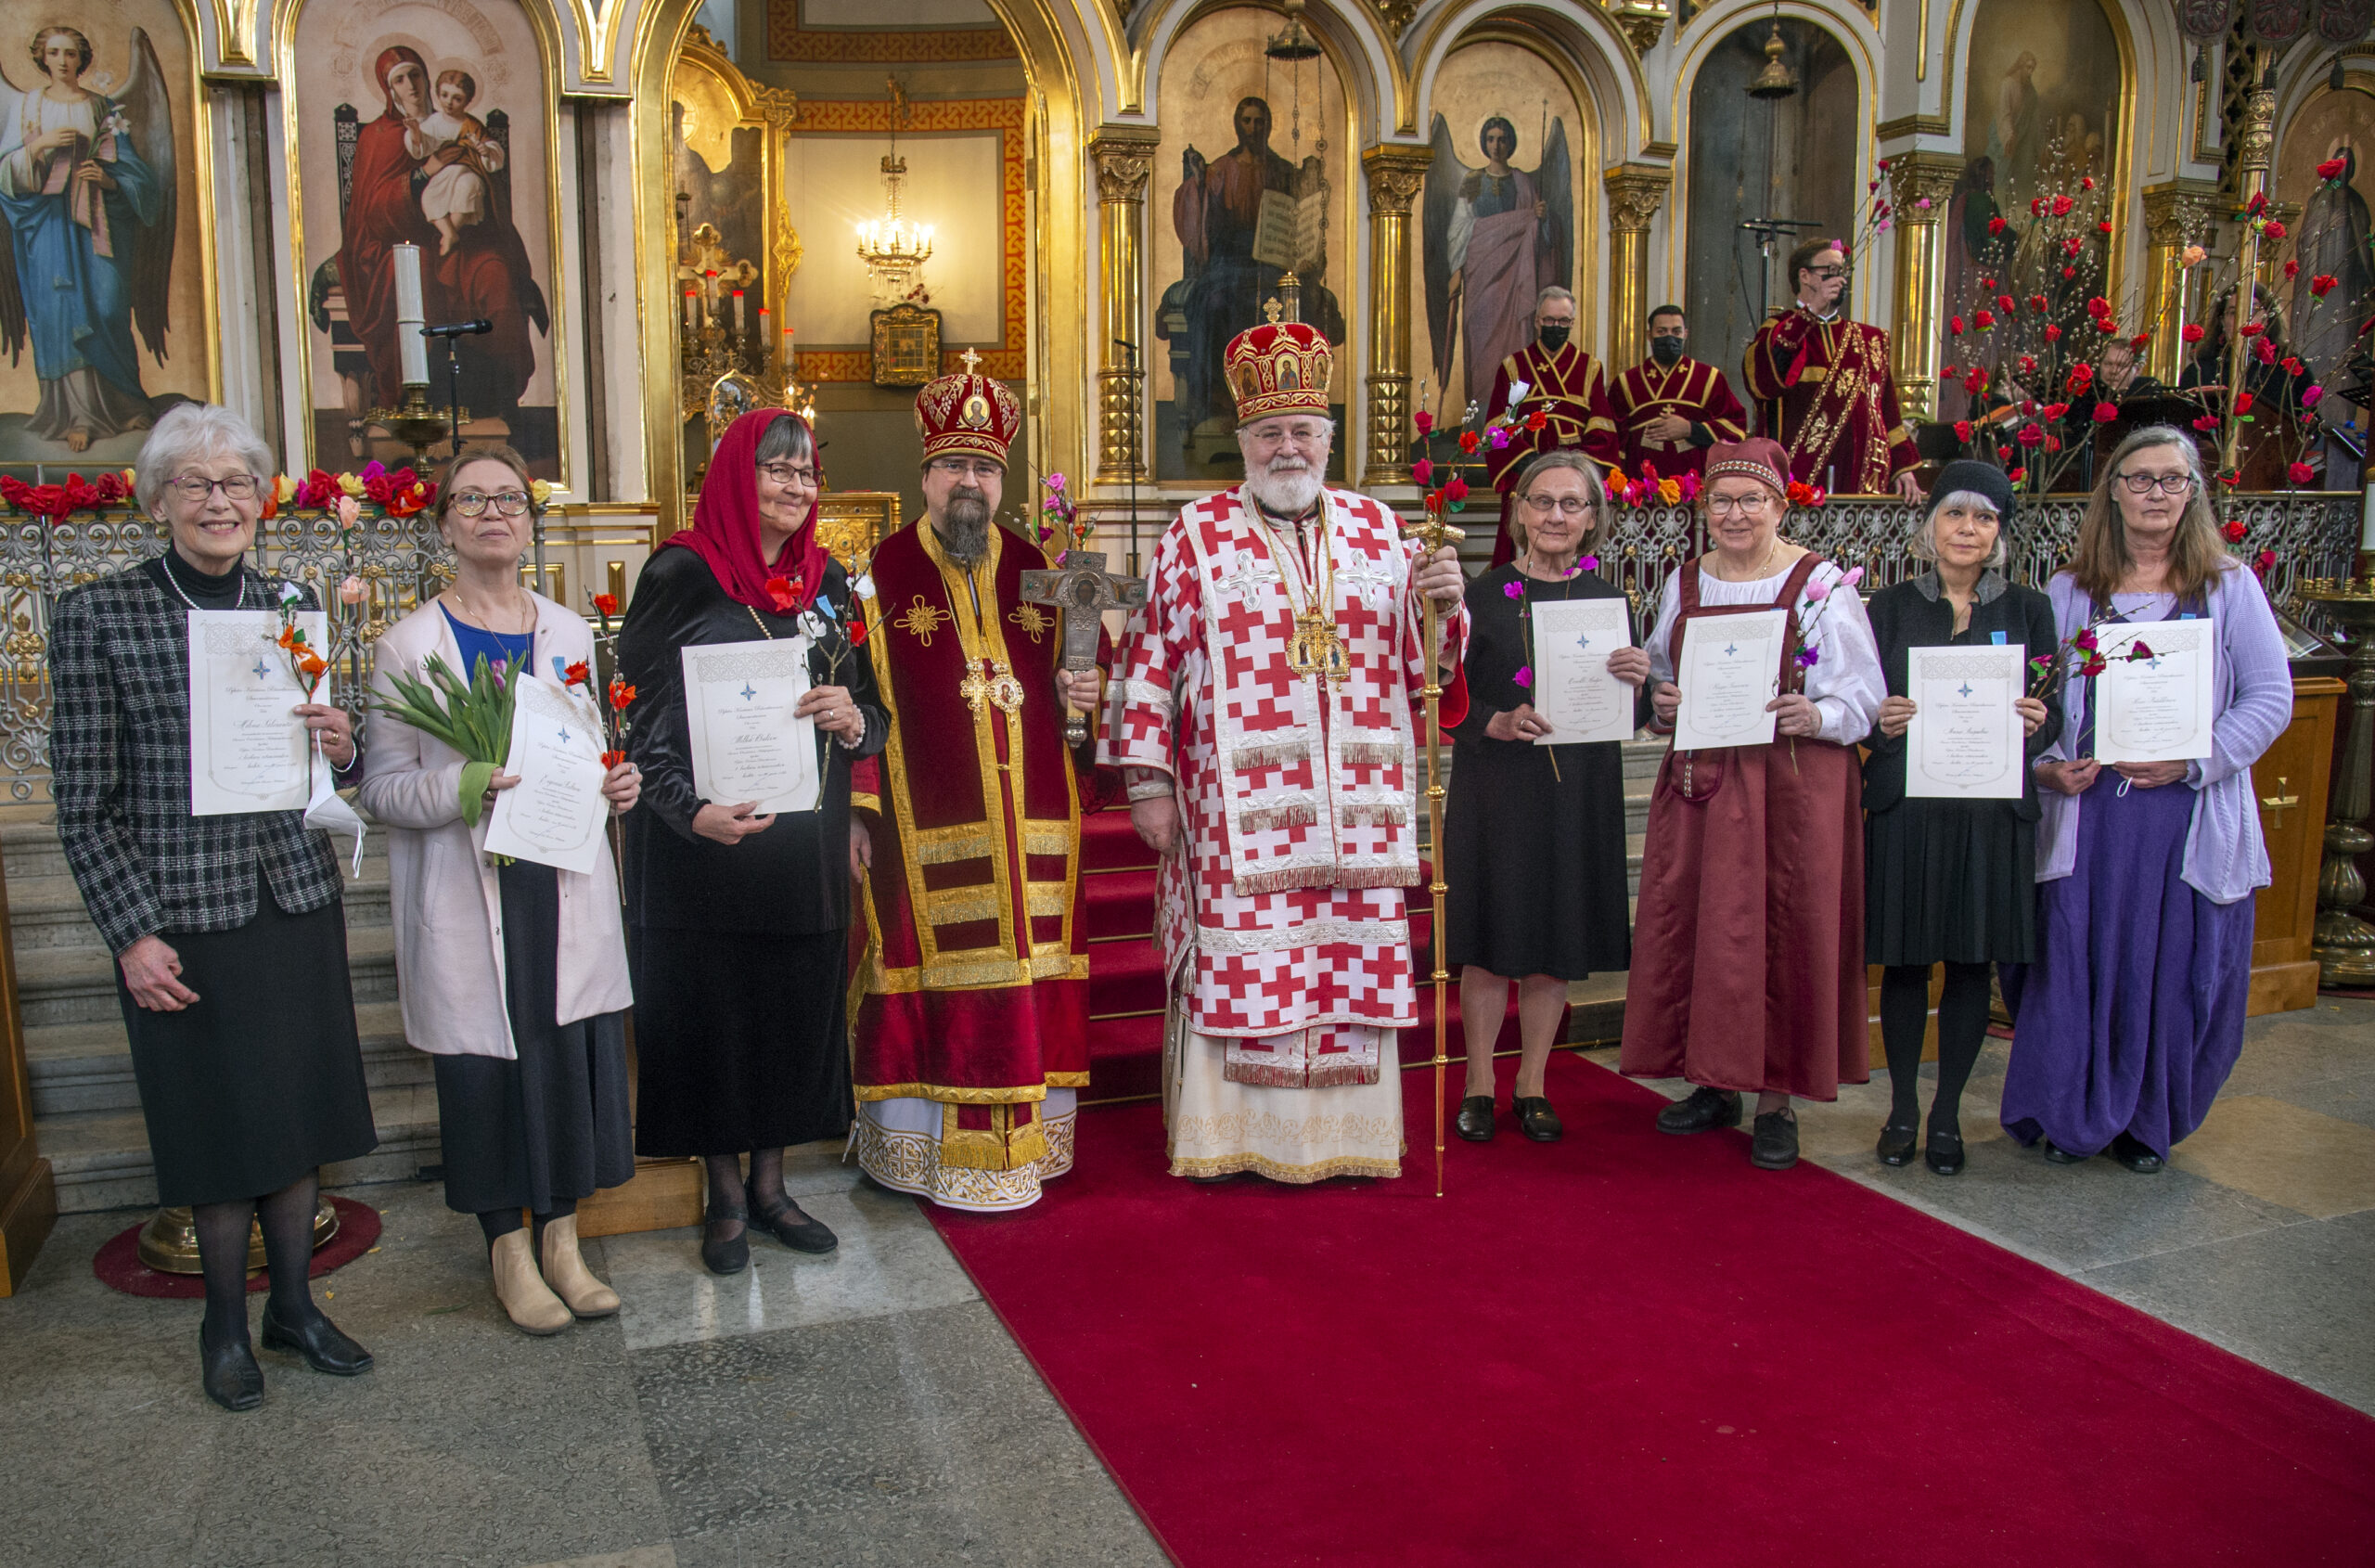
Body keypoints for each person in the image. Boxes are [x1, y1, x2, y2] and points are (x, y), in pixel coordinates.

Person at [49, 403, 375, 1410]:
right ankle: (224, 1326)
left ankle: (295, 1309)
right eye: (195, 483)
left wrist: (341, 742)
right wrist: (130, 934)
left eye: (237, 481)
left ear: (262, 496)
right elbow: (84, 802)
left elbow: (328, 760)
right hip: (182, 917)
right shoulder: (100, 614)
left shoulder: (290, 600)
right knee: (218, 1131)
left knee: (297, 1119)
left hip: (291, 895)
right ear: (157, 501)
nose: (219, 499)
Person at [1103, 320, 1469, 1182]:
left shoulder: (1384, 531)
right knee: (1252, 965)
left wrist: (1446, 610)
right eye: (1270, 432)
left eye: (1305, 430)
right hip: (1237, 811)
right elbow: (1151, 659)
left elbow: (1428, 665)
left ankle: (1350, 1139)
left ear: (1328, 439)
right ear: (1244, 442)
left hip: (1360, 805)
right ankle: (1236, 1139)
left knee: (1347, 965)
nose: (1288, 446)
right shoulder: (1194, 535)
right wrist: (1149, 782)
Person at [359, 445, 641, 1334]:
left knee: (561, 1058)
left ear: (529, 519)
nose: (493, 513)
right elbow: (380, 788)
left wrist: (614, 783)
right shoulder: (408, 646)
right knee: (485, 1068)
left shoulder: (565, 633)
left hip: (556, 881)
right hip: (467, 884)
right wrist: (463, 787)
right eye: (471, 499)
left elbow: (587, 746)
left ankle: (561, 1235)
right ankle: (506, 1246)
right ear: (444, 520)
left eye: (509, 499)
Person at [617, 408, 884, 1273]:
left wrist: (853, 721)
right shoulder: (681, 573)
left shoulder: (832, 586)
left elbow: (875, 715)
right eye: (777, 470)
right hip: (702, 849)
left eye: (807, 475)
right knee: (712, 1018)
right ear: (739, 473)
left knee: (784, 1014)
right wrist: (687, 809)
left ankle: (773, 1187)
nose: (795, 489)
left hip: (798, 851)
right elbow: (635, 715)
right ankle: (725, 1196)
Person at [844, 364, 1107, 1211]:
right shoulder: (874, 576)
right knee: (930, 962)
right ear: (924, 475)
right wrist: (855, 807)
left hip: (1033, 820)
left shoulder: (1040, 569)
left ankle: (1028, 1144)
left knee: (1026, 963)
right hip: (916, 829)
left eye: (985, 468)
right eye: (954, 465)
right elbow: (848, 697)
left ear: (1004, 479)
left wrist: (1084, 702)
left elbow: (1082, 689)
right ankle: (919, 1153)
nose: (970, 482)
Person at [2001, 427, 2292, 1171]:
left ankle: (2146, 1124)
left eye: (2171, 480)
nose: (2155, 494)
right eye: (2140, 479)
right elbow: (2032, 699)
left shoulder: (2229, 587)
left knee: (2165, 967)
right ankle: (2069, 1114)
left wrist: (2197, 761)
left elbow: (2268, 698)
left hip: (2183, 818)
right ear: (2114, 492)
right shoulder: (2071, 591)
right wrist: (2045, 769)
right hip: (2089, 816)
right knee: (2073, 959)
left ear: (2193, 491)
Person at [1620, 436, 1882, 1170]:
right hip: (1705, 779)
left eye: (1751, 500)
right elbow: (1663, 679)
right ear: (1704, 509)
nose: (1736, 514)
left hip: (1791, 783)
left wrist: (1818, 714)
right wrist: (1662, 700)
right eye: (1722, 501)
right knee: (1704, 928)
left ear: (1779, 503)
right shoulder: (1686, 582)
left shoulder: (1822, 583)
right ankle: (1713, 1082)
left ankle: (1776, 1099)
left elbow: (1861, 692)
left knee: (1782, 928)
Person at [1860, 463, 2060, 1176]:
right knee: (1909, 962)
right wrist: (1879, 718)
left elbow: (2052, 709)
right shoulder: (1886, 606)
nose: (1966, 530)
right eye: (1954, 516)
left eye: (1982, 519)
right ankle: (1903, 1107)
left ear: (1999, 532)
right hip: (1908, 806)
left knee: (1973, 963)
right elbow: (1860, 701)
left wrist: (2037, 722)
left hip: (1989, 809)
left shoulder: (2030, 609)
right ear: (1931, 526)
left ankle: (1946, 1114)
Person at [1445, 452, 1645, 1143]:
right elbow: (1440, 695)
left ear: (1592, 519)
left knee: (1555, 939)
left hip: (1579, 794)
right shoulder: (1480, 596)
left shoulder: (1612, 603)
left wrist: (1640, 678)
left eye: (1572, 504)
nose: (1555, 515)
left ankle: (1531, 1083)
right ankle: (1478, 1082)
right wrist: (1491, 721)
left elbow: (1636, 710)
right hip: (1497, 788)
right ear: (1519, 511)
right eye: (1543, 501)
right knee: (1488, 940)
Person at [0, 25, 170, 449]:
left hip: (97, 225)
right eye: (54, 53)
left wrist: (109, 182)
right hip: (48, 228)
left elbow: (140, 178)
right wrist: (38, 149)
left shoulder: (104, 108)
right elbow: (4, 174)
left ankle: (124, 403)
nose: (62, 61)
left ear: (82, 59)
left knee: (109, 306)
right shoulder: (26, 108)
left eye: (70, 53)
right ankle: (75, 414)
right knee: (60, 310)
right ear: (41, 57)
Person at [1163, 96, 1347, 435]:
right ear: (1237, 124)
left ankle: (1298, 410)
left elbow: (1303, 218)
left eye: (1259, 121)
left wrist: (1311, 183)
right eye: (1246, 120)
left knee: (1308, 303)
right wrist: (1200, 183)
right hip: (1228, 262)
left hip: (1273, 264)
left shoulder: (1281, 170)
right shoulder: (1220, 169)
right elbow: (1203, 222)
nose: (1252, 128)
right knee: (1215, 304)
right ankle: (1219, 403)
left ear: (1269, 125)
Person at [1743, 240, 1924, 502]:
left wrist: (1902, 469)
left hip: (1864, 480)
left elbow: (1888, 415)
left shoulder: (1869, 339)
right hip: (1800, 480)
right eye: (1830, 270)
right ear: (1804, 276)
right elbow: (1763, 383)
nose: (1840, 278)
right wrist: (1811, 311)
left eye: (1842, 271)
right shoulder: (1780, 330)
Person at [1484, 285, 1619, 566]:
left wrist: (1576, 463)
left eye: (1563, 322)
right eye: (1549, 321)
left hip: (1575, 475)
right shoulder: (1513, 365)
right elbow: (1497, 427)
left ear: (1572, 323)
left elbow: (1602, 428)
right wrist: (1529, 462)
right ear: (1537, 321)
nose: (1556, 327)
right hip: (1526, 473)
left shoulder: (1589, 366)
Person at [1442, 116, 1570, 408]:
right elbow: (1460, 227)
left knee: (1515, 340)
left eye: (1502, 139)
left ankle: (1515, 410)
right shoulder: (1473, 180)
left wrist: (1541, 218)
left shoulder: (1523, 182)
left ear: (1510, 142)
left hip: (1517, 277)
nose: (1496, 145)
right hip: (1481, 275)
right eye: (1491, 139)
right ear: (1484, 143)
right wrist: (1456, 269)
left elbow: (1543, 239)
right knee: (1483, 344)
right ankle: (1482, 411)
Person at [1611, 305, 1748, 482]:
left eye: (1676, 331)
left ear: (1685, 334)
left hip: (1696, 486)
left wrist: (1691, 429)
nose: (1670, 337)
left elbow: (1735, 426)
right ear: (1649, 335)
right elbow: (1613, 439)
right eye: (1662, 331)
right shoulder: (1626, 383)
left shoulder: (1709, 378)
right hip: (1641, 490)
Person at [412, 71, 499, 258]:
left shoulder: (472, 124)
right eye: (444, 95)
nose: (449, 102)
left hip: (469, 171)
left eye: (457, 99)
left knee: (468, 188)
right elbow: (422, 145)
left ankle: (451, 233)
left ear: (467, 102)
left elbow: (491, 147)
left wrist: (487, 151)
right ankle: (449, 233)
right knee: (430, 195)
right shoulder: (433, 122)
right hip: (445, 172)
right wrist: (415, 133)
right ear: (437, 93)